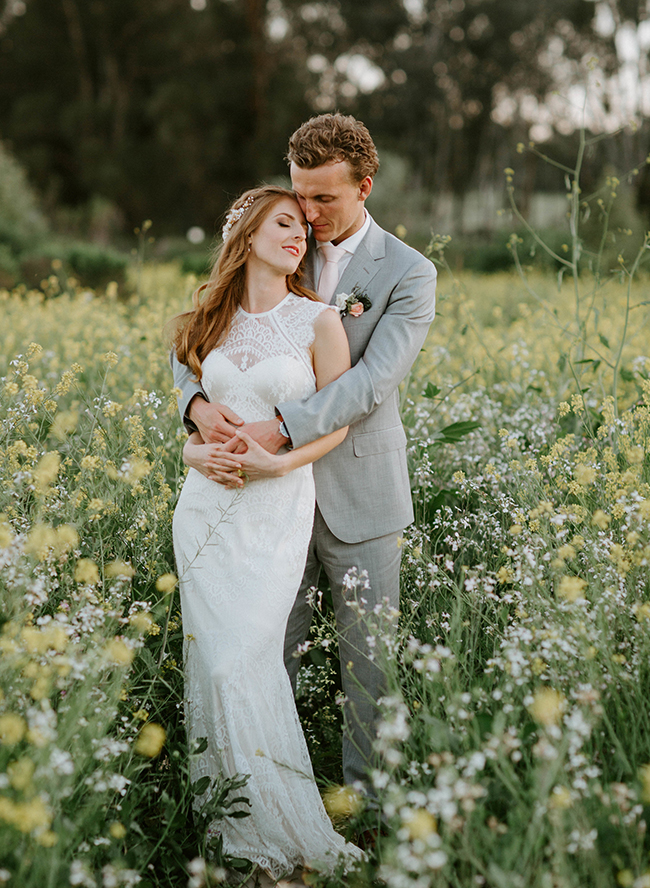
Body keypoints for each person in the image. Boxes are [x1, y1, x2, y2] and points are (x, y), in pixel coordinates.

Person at [172, 113, 437, 795]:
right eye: (300, 195)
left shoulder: (409, 273)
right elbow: (202, 342)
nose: (309, 215)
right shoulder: (277, 239)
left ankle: (367, 815)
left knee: (367, 670)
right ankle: (262, 803)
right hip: (260, 506)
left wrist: (277, 430)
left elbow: (371, 383)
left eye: (325, 199)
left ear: (365, 186)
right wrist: (198, 413)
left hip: (359, 497)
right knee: (264, 656)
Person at [170, 184, 362, 876]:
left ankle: (282, 825)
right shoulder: (209, 323)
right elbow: (193, 416)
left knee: (241, 661)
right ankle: (229, 824)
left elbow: (336, 423)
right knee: (213, 669)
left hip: (276, 511)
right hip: (203, 514)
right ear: (246, 234)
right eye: (284, 224)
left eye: (303, 231)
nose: (299, 237)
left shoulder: (318, 321)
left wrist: (276, 466)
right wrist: (194, 450)